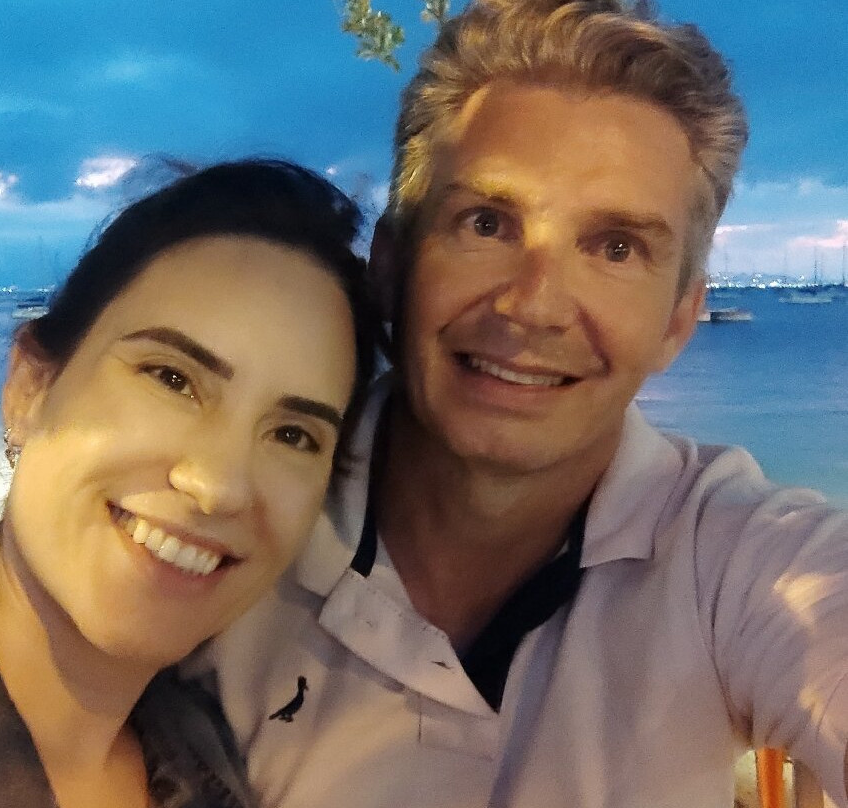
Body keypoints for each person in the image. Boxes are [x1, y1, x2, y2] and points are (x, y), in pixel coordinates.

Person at [189, 2, 848, 806]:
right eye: (486, 223)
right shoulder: (226, 516)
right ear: (390, 264)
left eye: (615, 248)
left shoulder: (734, 561)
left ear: (678, 320)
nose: (533, 306)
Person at [0, 159, 378, 808]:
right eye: (172, 379)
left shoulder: (217, 760)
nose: (219, 486)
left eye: (293, 435)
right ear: (30, 388)